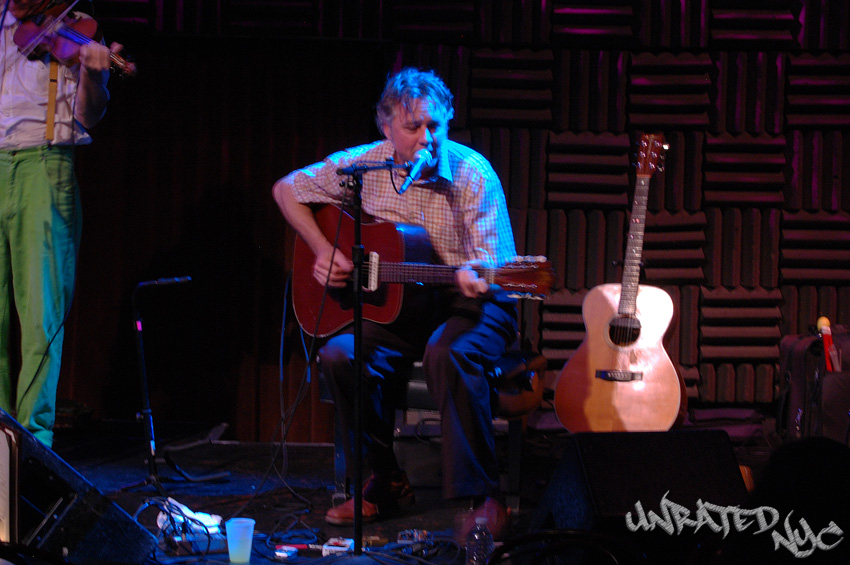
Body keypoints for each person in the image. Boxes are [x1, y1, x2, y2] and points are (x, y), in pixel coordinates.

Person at [273, 67, 518, 539]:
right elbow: (286, 189)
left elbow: (493, 261)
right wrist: (322, 250)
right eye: (413, 126)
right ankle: (385, 479)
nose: (427, 137)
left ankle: (483, 497)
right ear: (386, 128)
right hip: (403, 307)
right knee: (339, 356)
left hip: (472, 302)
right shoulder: (364, 166)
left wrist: (474, 271)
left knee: (449, 352)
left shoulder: (472, 173)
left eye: (435, 125)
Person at [1, 0, 121, 448]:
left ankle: (30, 446)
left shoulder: (74, 25)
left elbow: (90, 114)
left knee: (40, 316)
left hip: (44, 161)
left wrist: (94, 73)